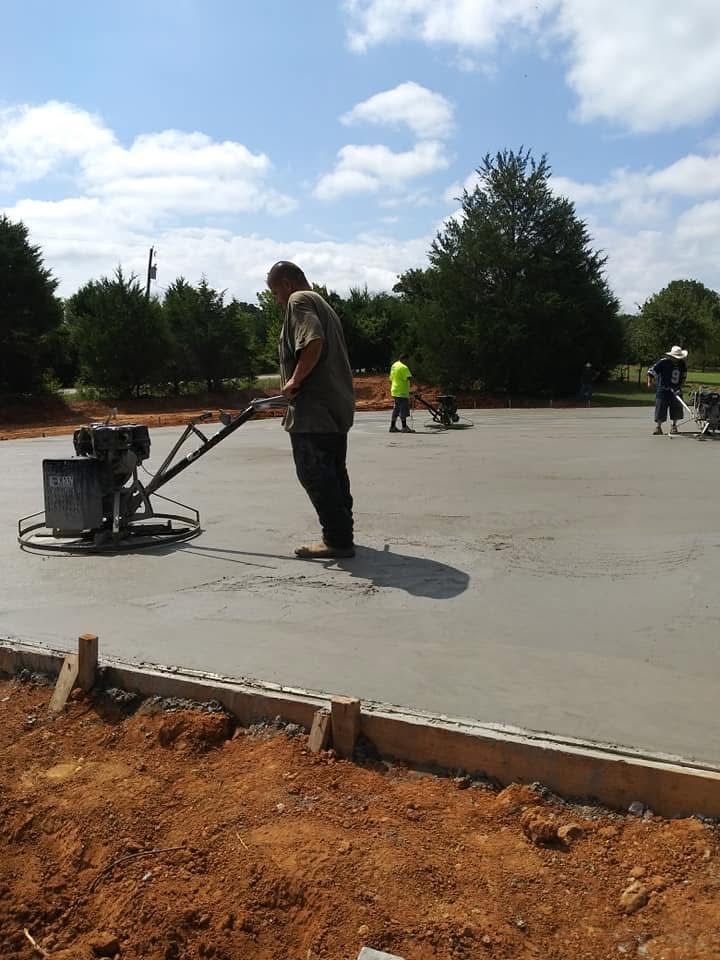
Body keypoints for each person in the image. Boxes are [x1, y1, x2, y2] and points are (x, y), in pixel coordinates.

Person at [267, 261, 355, 558]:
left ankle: (337, 540)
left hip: (314, 410)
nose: (278, 301)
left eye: (276, 292)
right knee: (333, 472)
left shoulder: (299, 299)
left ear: (288, 283)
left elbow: (313, 341)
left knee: (314, 473)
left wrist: (293, 379)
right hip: (334, 407)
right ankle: (343, 532)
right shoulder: (324, 304)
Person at [647, 345, 688, 435]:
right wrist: (650, 382)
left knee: (676, 409)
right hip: (663, 390)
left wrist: (681, 386)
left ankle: (674, 426)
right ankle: (658, 427)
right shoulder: (663, 362)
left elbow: (684, 376)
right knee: (660, 408)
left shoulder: (682, 364)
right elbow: (651, 371)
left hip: (676, 390)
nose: (677, 359)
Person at [389, 354, 414, 433]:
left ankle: (392, 426)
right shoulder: (404, 367)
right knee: (403, 409)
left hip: (395, 390)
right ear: (404, 359)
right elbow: (409, 377)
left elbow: (391, 378)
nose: (408, 362)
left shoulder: (394, 365)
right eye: (407, 360)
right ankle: (404, 427)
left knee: (396, 409)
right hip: (402, 392)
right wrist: (414, 386)